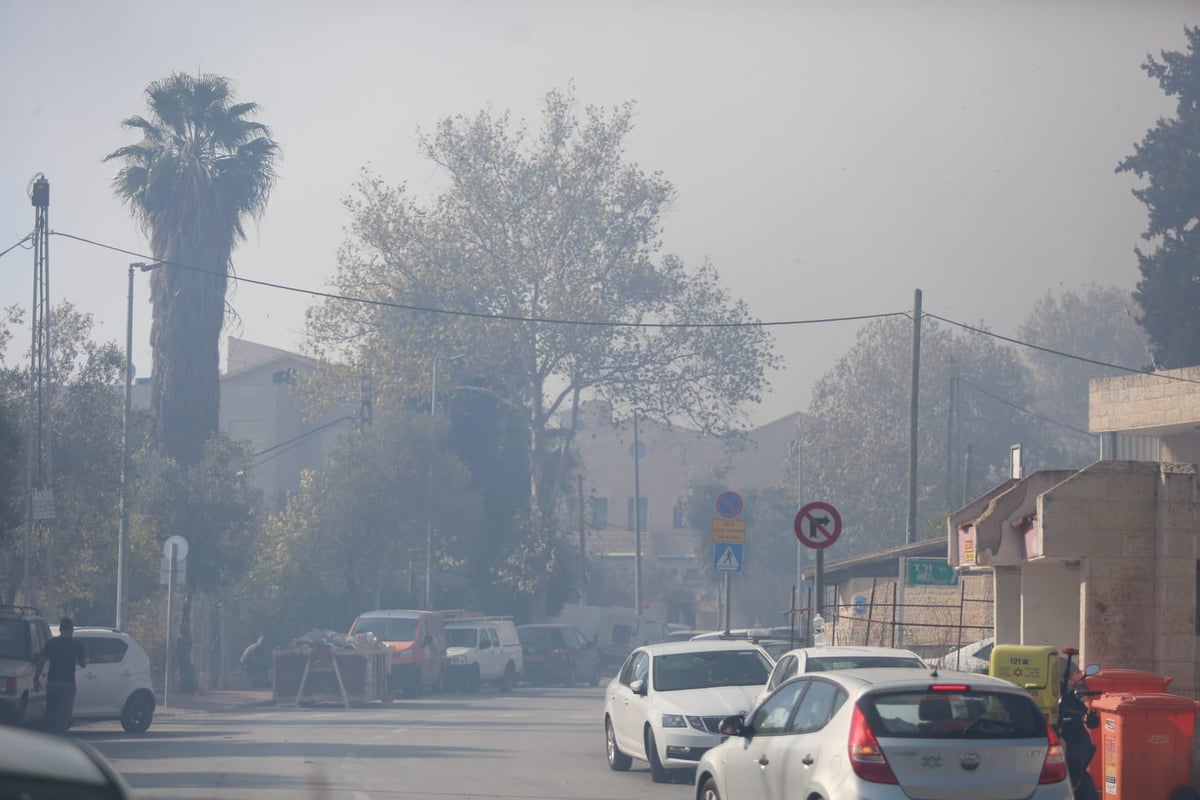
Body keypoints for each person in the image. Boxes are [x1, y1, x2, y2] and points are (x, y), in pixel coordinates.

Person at [34, 617, 87, 733]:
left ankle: (50, 734)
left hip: (53, 682)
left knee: (51, 709)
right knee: (64, 712)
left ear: (60, 629)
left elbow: (41, 662)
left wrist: (36, 678)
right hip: (68, 683)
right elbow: (83, 664)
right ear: (71, 630)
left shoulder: (51, 643)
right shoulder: (76, 645)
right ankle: (60, 734)